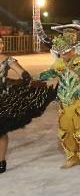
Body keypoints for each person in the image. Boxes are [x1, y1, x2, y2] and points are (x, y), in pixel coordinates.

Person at [33, 31, 80, 175]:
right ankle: (72, 157)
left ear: (74, 49)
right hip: (64, 102)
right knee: (65, 131)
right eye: (60, 52)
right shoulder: (59, 63)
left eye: (66, 51)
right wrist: (31, 79)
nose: (63, 55)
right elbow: (48, 74)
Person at [0, 36, 56, 174]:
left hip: (2, 99)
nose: (0, 45)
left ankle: (1, 161)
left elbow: (23, 73)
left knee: (0, 131)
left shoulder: (7, 60)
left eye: (1, 42)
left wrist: (25, 77)